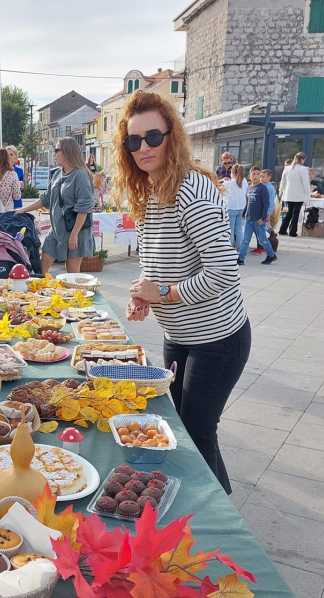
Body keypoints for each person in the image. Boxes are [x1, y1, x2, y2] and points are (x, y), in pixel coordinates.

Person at [113, 89, 250, 495]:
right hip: (180, 338)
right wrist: (142, 294)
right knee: (190, 431)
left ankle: (218, 521)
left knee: (198, 432)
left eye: (152, 136)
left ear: (172, 135)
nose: (143, 147)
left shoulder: (192, 191)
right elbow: (156, 258)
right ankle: (207, 509)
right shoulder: (150, 191)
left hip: (218, 340)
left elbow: (225, 273)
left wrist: (166, 294)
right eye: (133, 141)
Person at [19, 136, 95, 273]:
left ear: (67, 151)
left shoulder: (81, 176)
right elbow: (46, 198)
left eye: (56, 150)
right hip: (56, 231)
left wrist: (74, 235)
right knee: (41, 268)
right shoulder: (57, 174)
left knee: (71, 274)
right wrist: (24, 209)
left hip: (75, 231)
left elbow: (84, 208)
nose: (54, 154)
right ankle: (43, 292)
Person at [238, 167, 276, 265]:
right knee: (245, 240)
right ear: (249, 176)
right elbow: (248, 203)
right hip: (248, 218)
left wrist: (263, 217)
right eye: (253, 174)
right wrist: (244, 213)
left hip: (258, 220)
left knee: (262, 239)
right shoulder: (249, 188)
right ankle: (240, 258)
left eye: (257, 174)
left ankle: (271, 255)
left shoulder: (262, 188)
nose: (255, 176)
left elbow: (266, 204)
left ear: (260, 176)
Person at [279, 152, 311, 237]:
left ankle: (282, 229)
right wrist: (308, 192)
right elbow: (305, 182)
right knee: (295, 213)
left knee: (289, 212)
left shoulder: (288, 168)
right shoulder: (303, 169)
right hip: (299, 194)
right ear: (302, 159)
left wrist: (281, 191)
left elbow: (283, 181)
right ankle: (292, 231)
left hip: (289, 193)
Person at [221, 164, 247, 251]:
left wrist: (223, 180)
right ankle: (240, 246)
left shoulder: (228, 183)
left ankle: (230, 246)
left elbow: (217, 184)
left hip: (231, 207)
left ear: (232, 172)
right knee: (239, 228)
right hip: (241, 207)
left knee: (230, 229)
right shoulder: (244, 181)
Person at [259, 169, 278, 251]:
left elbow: (271, 202)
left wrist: (268, 213)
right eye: (260, 176)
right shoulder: (260, 186)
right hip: (260, 210)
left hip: (265, 211)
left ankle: (271, 239)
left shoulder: (269, 188)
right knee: (264, 227)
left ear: (269, 177)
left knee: (265, 227)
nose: (261, 178)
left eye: (263, 177)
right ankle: (272, 235)